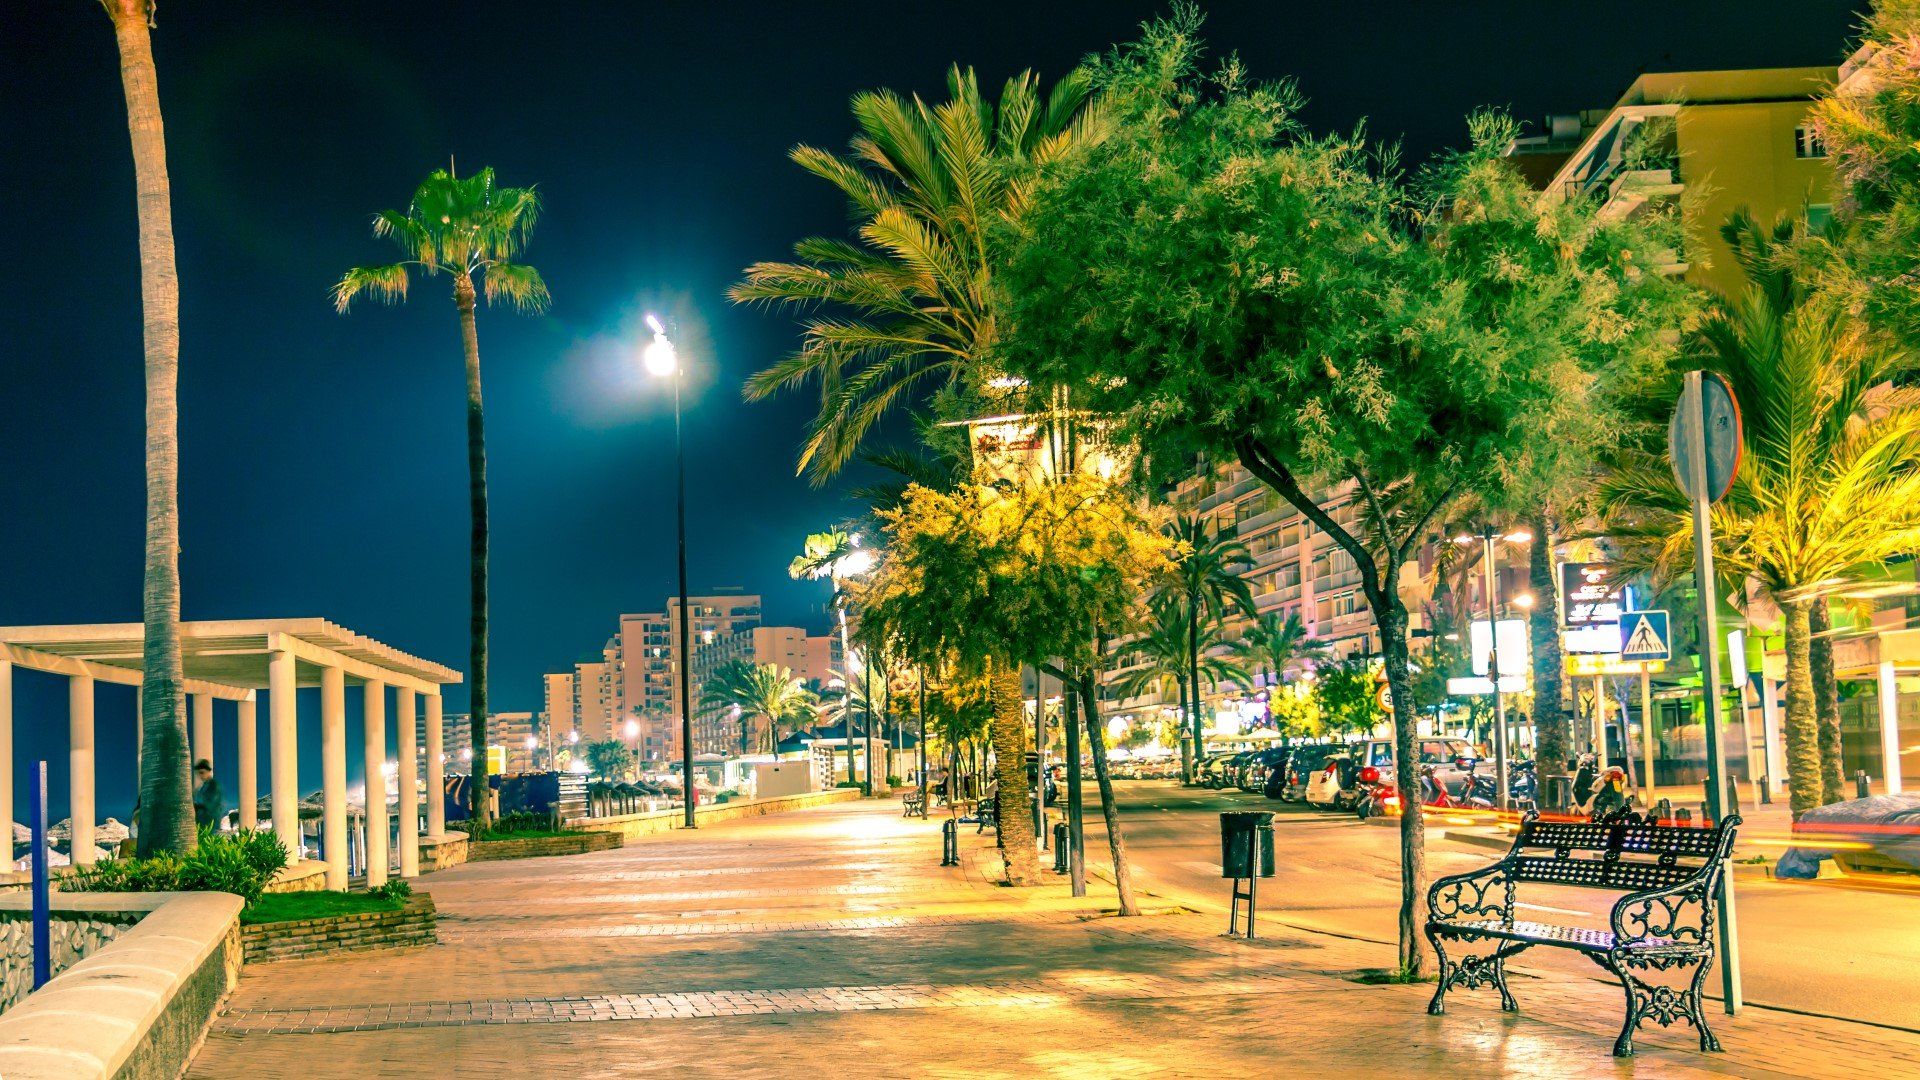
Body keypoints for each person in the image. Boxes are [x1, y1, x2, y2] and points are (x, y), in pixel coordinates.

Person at [192, 759, 224, 830]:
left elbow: (210, 804)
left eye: (202, 772)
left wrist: (196, 806)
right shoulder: (203, 786)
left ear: (208, 772)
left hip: (209, 823)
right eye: (198, 773)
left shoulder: (214, 785)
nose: (200, 775)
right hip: (203, 823)